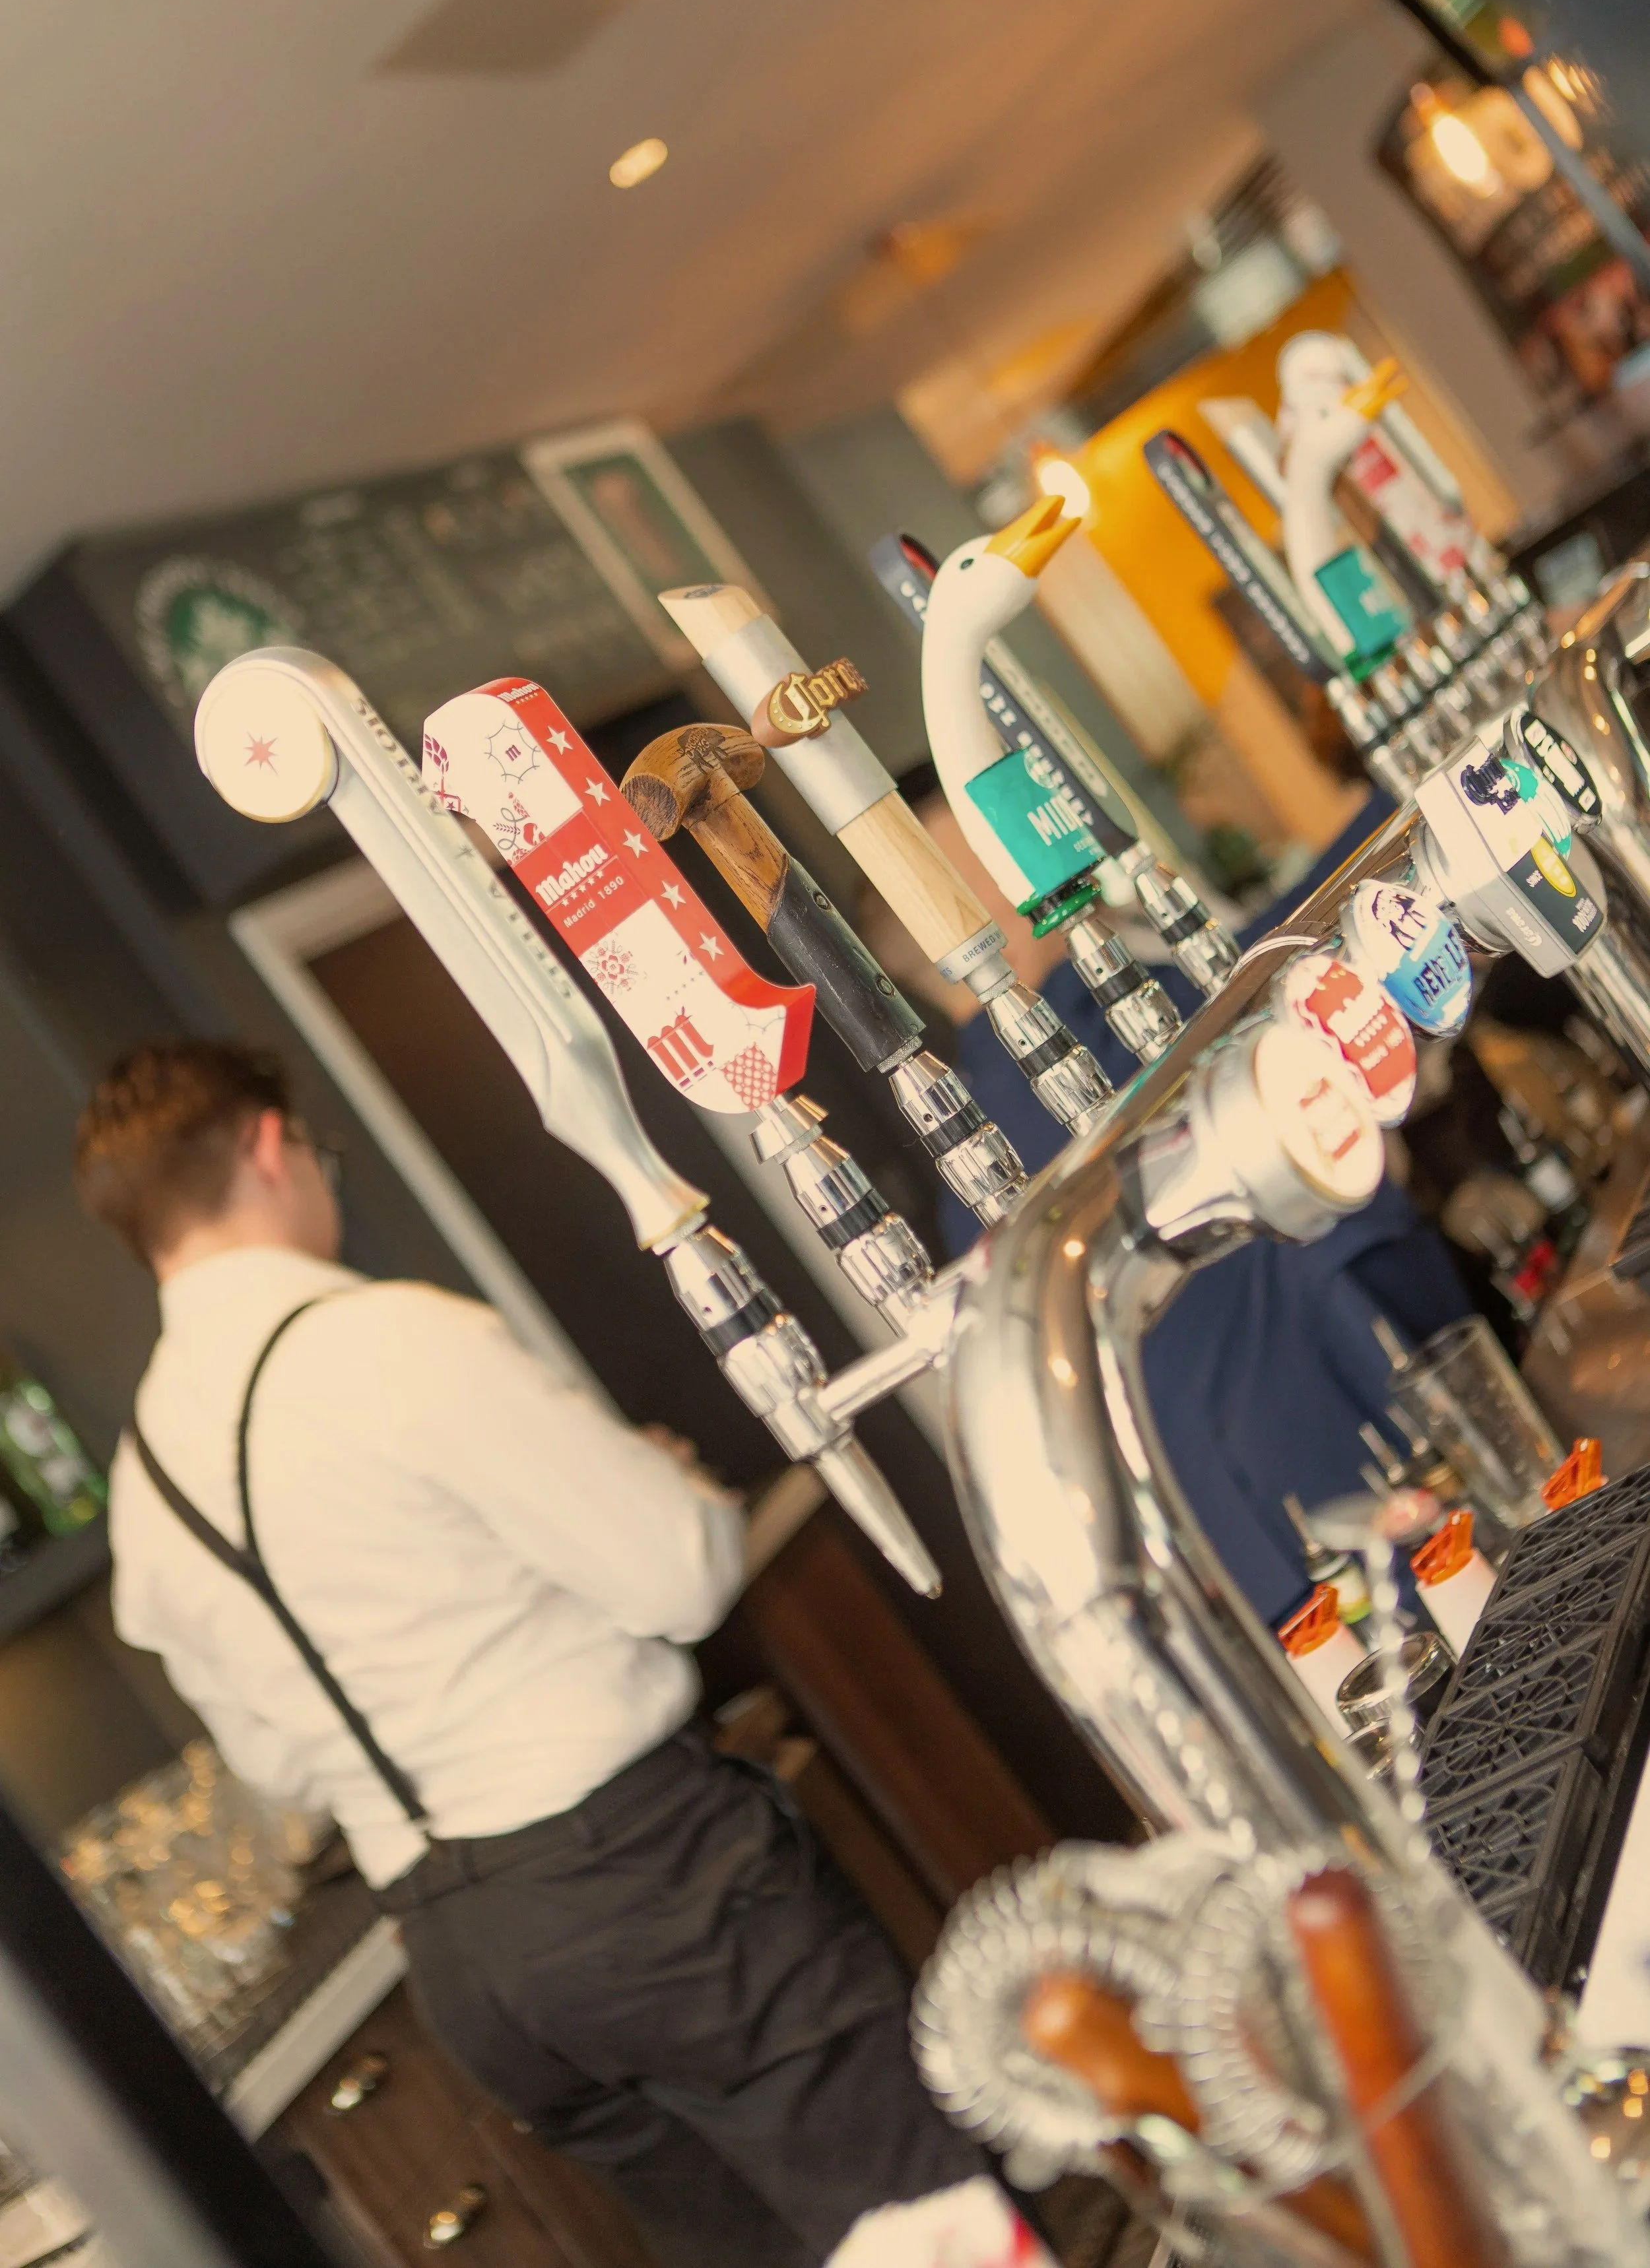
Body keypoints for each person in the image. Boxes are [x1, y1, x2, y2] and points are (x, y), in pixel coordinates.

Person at [76, 1039, 981, 2268]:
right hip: (650, 1885)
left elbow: (282, 1771)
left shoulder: (144, 1490)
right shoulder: (385, 1342)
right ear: (269, 1145)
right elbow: (684, 1574)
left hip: (473, 1968)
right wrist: (663, 1481)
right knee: (930, 2230)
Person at [872, 782, 1472, 1627]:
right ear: (962, 920)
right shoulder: (1082, 1026)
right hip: (1365, 1389)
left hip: (1248, 1517)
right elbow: (1282, 964)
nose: (1035, 855)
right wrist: (1424, 797)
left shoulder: (964, 1197)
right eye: (992, 852)